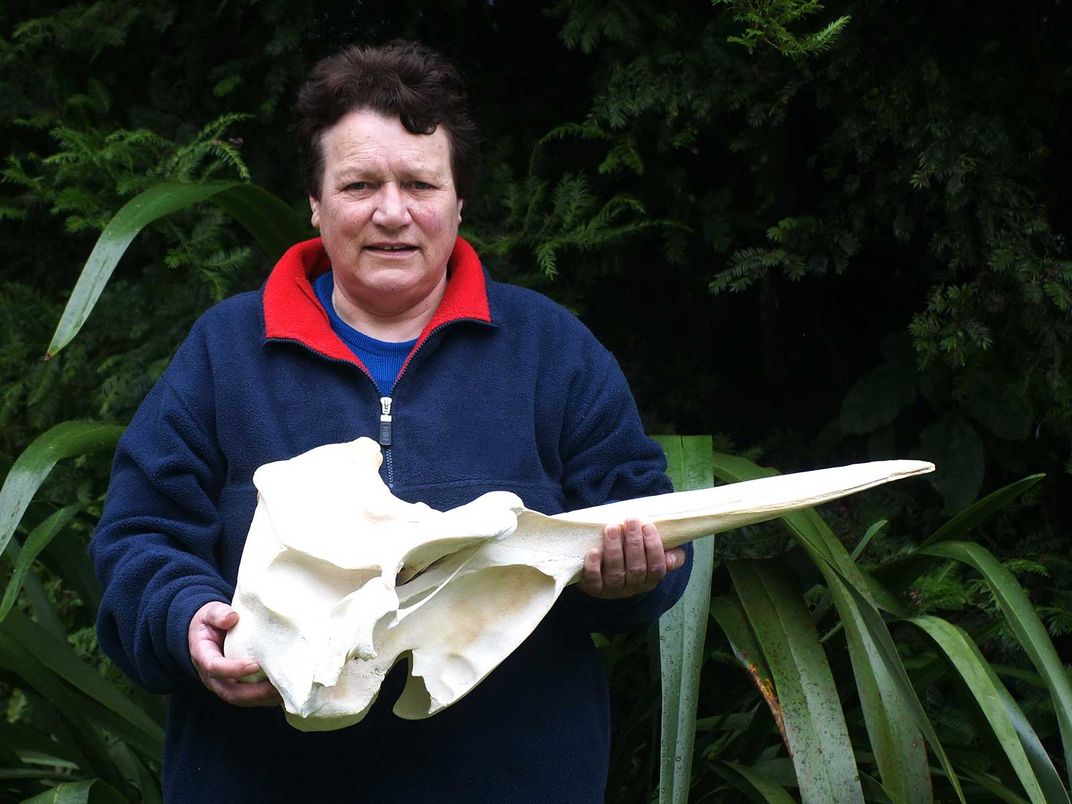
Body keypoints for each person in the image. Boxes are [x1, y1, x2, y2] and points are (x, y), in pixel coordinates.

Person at [91, 40, 692, 803]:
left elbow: (648, 525)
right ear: (314, 202)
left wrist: (632, 578)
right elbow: (137, 539)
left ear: (458, 199)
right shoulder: (223, 355)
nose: (391, 213)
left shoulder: (552, 351)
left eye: (419, 183)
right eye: (358, 184)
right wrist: (185, 621)